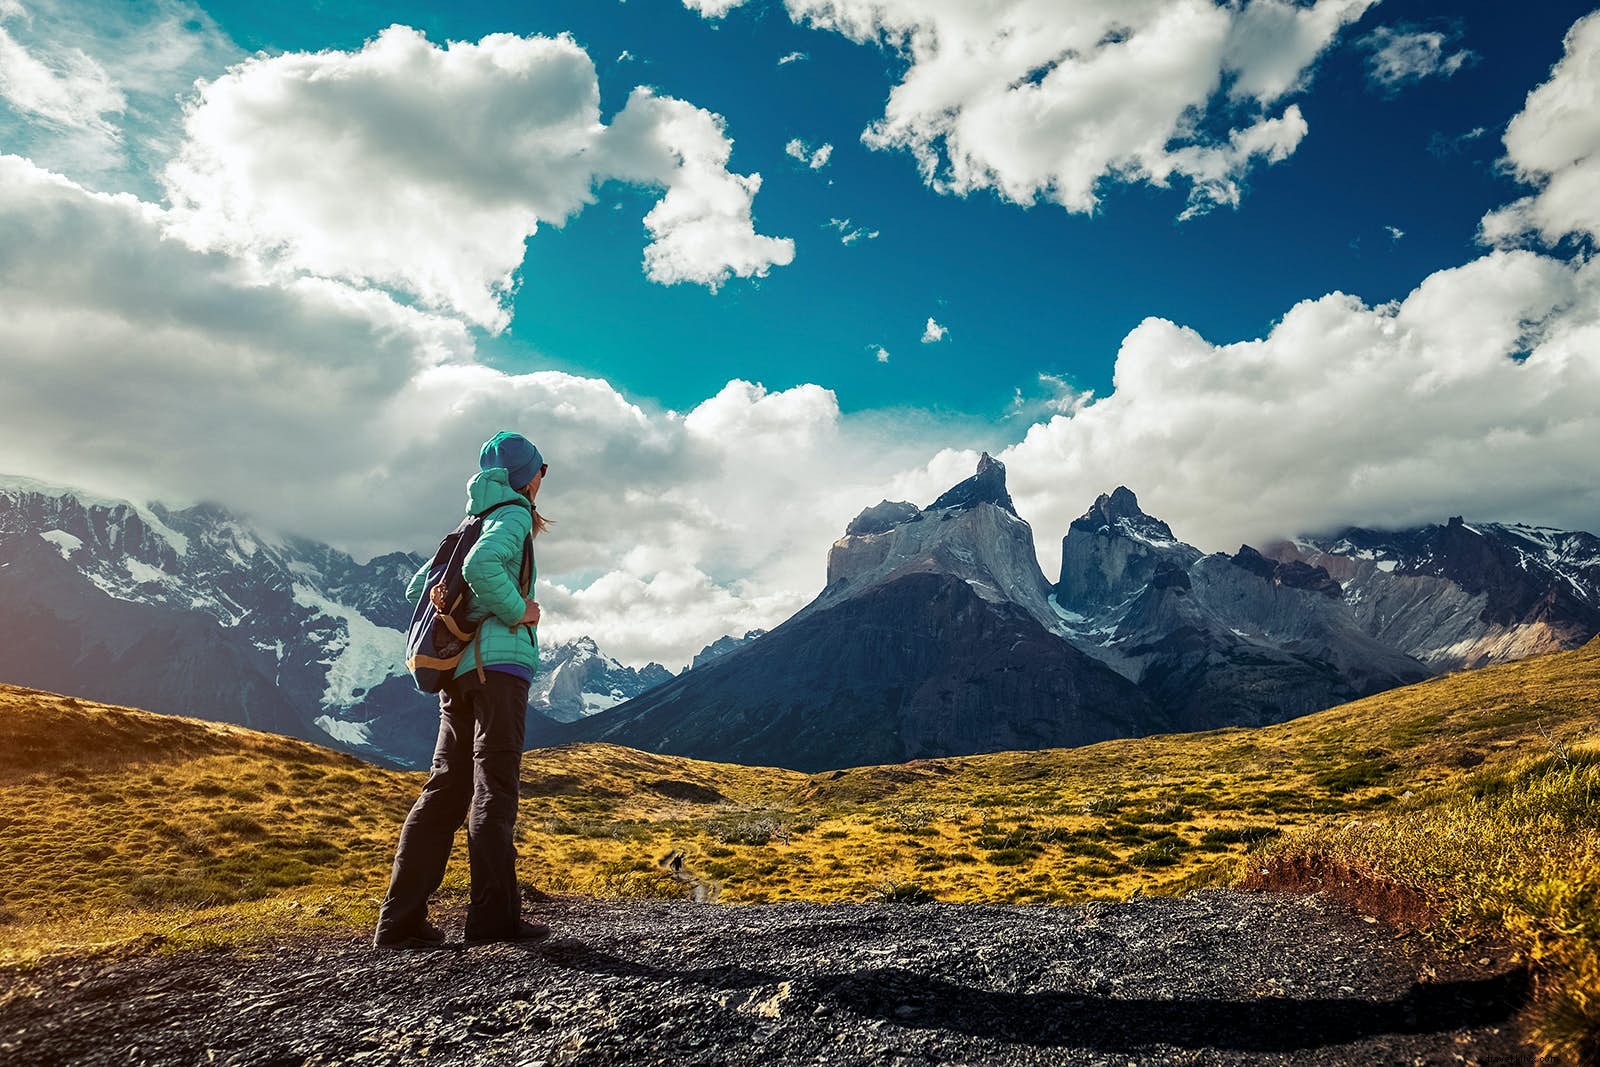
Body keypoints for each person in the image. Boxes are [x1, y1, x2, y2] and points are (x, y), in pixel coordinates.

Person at [373, 431, 551, 949]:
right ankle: (493, 920)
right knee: (494, 785)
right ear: (525, 475)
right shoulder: (513, 514)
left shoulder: (469, 521)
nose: (543, 478)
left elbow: (418, 588)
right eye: (543, 469)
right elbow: (478, 568)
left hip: (457, 673)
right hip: (499, 669)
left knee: (446, 788)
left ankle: (399, 920)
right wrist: (519, 610)